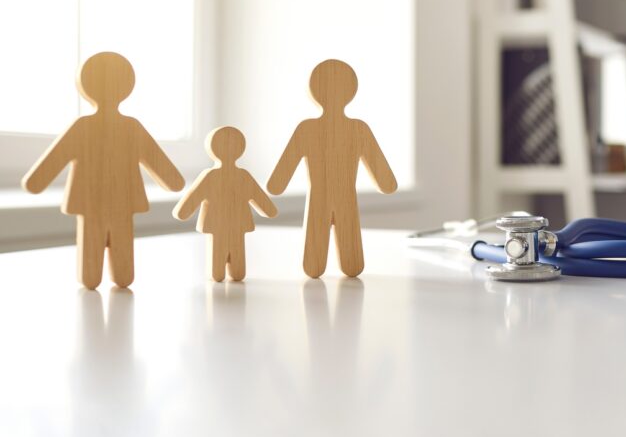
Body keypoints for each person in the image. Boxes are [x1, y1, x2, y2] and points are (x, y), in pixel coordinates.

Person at [22, 52, 185, 289]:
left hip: (95, 201)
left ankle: (104, 277)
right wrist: (173, 182)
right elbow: (165, 170)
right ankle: (115, 276)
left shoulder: (88, 127)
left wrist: (37, 182)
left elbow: (50, 165)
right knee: (116, 244)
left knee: (100, 246)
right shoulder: (129, 127)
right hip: (117, 200)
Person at [267, 59, 398, 278]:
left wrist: (277, 185)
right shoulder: (358, 129)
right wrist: (386, 183)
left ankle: (325, 267)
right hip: (345, 197)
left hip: (322, 196)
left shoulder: (308, 129)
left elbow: (279, 179)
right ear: (351, 92)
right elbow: (386, 180)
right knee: (348, 254)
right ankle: (344, 266)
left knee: (317, 259)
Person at [174, 126, 279, 282]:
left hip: (221, 223)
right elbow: (266, 205)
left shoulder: (213, 176)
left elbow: (189, 203)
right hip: (234, 223)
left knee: (224, 257)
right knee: (231, 253)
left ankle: (222, 273)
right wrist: (269, 210)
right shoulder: (241, 175)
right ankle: (226, 273)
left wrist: (183, 212)